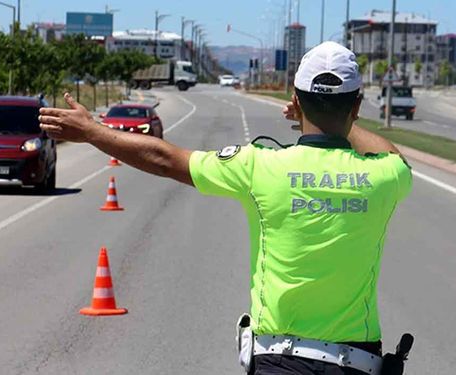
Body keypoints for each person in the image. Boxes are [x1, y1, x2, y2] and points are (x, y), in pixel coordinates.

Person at [38, 41, 412, 375]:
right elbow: (393, 154)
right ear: (358, 105)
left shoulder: (259, 166)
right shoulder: (384, 176)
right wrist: (340, 124)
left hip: (279, 361)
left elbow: (164, 158)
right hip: (358, 365)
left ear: (295, 101)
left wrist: (92, 131)